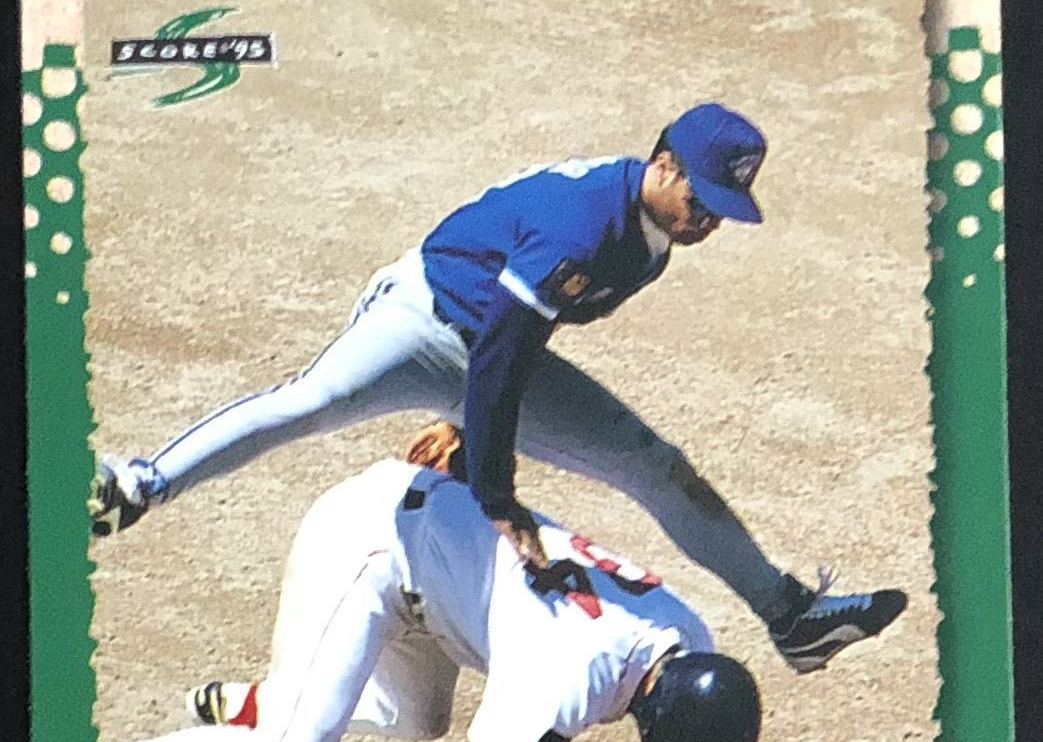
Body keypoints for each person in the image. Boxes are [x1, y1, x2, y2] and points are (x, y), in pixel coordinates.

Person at [88, 102, 906, 675]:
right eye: (701, 199)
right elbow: (505, 350)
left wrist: (467, 419)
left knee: (655, 466)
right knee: (314, 402)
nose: (709, 221)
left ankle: (789, 614)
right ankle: (138, 484)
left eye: (723, 209)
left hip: (492, 351)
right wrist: (495, 491)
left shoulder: (651, 239)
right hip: (418, 321)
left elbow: (520, 341)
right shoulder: (584, 220)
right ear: (663, 164)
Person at [93, 425, 773, 742]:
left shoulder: (686, 638)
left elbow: (696, 737)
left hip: (430, 562)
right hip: (367, 545)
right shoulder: (572, 674)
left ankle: (259, 703)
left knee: (414, 717)